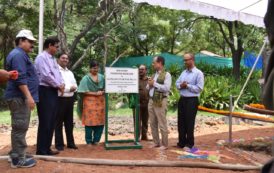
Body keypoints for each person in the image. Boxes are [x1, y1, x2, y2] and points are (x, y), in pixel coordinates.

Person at [4, 29, 39, 168]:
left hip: (18, 96)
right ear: (21, 40)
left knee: (19, 126)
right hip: (19, 97)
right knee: (20, 126)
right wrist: (29, 97)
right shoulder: (18, 55)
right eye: (30, 41)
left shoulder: (20, 54)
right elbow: (20, 79)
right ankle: (18, 159)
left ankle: (15, 152)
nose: (32, 45)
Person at [35, 36, 64, 155]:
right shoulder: (41, 58)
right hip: (44, 90)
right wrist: (58, 85)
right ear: (50, 45)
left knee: (51, 120)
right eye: (56, 46)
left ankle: (47, 148)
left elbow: (57, 73)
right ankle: (41, 150)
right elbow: (46, 76)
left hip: (52, 91)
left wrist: (61, 83)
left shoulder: (52, 59)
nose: (57, 49)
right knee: (45, 120)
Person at [175, 53, 204, 149]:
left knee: (189, 122)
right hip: (182, 99)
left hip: (192, 100)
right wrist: (181, 85)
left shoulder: (198, 73)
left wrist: (187, 86)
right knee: (181, 121)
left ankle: (189, 143)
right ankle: (181, 142)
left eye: (186, 60)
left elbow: (199, 88)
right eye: (184, 60)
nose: (185, 62)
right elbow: (177, 83)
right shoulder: (184, 72)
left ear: (192, 60)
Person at [77, 60, 105, 145]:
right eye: (94, 68)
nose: (95, 70)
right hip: (89, 102)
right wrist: (95, 93)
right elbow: (82, 91)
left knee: (100, 121)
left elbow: (106, 87)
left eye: (97, 68)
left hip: (100, 102)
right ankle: (88, 141)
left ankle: (96, 140)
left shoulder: (102, 77)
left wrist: (102, 91)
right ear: (90, 68)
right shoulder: (86, 78)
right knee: (89, 122)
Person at [147, 56, 172, 150]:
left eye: (154, 62)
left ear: (160, 63)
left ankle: (164, 144)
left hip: (161, 100)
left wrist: (154, 84)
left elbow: (166, 88)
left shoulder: (167, 75)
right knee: (152, 122)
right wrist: (149, 85)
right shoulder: (153, 75)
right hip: (151, 100)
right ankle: (156, 142)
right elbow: (148, 87)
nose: (153, 64)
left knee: (162, 122)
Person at [54, 53, 78, 151]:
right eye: (63, 58)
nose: (65, 60)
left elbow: (75, 85)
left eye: (67, 58)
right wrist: (69, 89)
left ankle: (70, 143)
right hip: (60, 99)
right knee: (58, 122)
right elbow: (58, 86)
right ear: (58, 59)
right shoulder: (55, 71)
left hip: (70, 100)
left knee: (69, 122)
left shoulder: (70, 72)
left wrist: (72, 88)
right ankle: (59, 144)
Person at [138, 64, 149, 140]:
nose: (141, 71)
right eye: (140, 69)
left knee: (145, 120)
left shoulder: (149, 80)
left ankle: (144, 136)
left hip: (147, 103)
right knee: (137, 120)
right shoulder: (135, 80)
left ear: (146, 70)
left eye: (142, 69)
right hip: (137, 103)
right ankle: (137, 136)